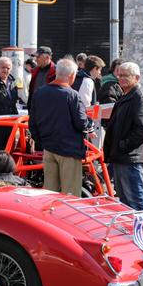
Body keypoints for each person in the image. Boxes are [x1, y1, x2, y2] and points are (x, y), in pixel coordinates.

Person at [28, 59, 88, 196]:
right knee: (71, 194)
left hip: (48, 148)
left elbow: (32, 123)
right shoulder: (72, 95)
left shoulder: (39, 92)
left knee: (50, 193)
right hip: (69, 150)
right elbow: (81, 123)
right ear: (72, 75)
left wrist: (41, 142)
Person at [102, 62, 143, 211]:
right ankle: (130, 225)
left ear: (136, 78)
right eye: (120, 75)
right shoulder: (127, 95)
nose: (121, 78)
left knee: (135, 200)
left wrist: (122, 146)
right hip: (121, 156)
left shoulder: (139, 98)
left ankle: (142, 226)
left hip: (129, 157)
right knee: (124, 201)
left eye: (126, 75)